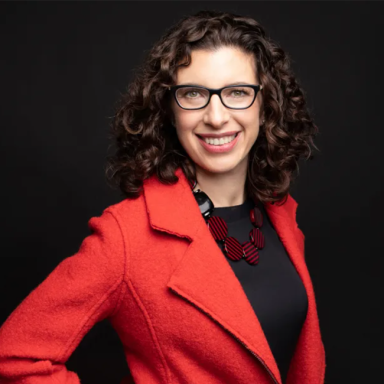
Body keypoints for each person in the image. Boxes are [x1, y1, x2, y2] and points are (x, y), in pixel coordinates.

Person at [0, 9, 326, 384]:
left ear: (265, 104)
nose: (216, 117)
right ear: (169, 110)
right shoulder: (127, 235)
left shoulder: (279, 214)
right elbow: (15, 357)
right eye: (193, 94)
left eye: (238, 92)